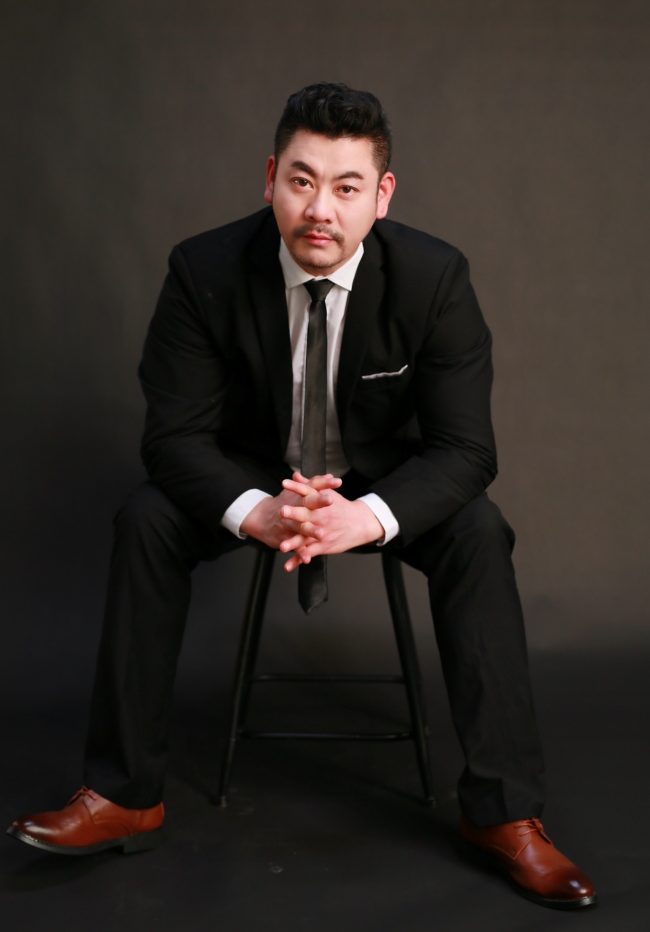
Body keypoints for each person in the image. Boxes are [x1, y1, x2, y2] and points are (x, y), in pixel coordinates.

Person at [7, 83, 596, 910]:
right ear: (270, 179)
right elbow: (173, 438)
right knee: (146, 517)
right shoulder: (203, 270)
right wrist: (255, 508)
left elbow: (467, 448)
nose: (321, 208)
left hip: (379, 476)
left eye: (347, 186)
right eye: (302, 180)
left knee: (478, 531)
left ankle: (503, 814)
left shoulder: (434, 277)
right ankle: (123, 793)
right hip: (252, 469)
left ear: (382, 196)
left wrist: (368, 517)